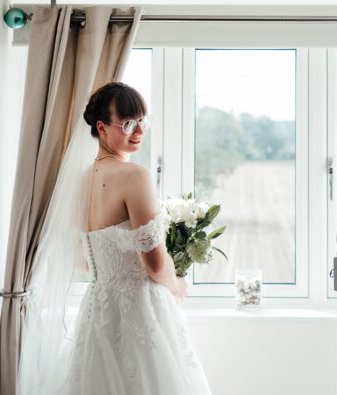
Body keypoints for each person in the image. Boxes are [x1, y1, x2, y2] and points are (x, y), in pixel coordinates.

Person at [31, 81, 212, 394]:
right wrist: (176, 283)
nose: (139, 130)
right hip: (140, 311)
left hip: (97, 312)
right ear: (101, 127)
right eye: (128, 123)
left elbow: (83, 260)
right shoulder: (134, 176)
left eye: (142, 120)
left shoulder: (79, 180)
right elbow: (155, 265)